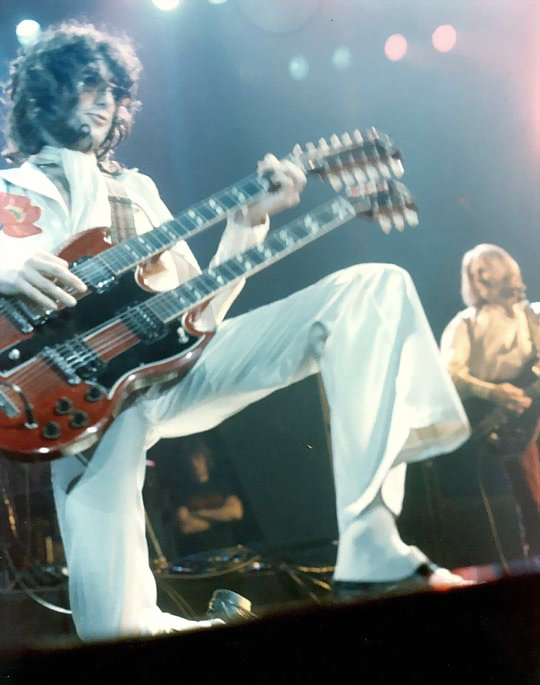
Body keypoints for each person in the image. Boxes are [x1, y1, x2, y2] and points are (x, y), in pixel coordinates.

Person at [0, 21, 470, 641]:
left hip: (172, 371)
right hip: (75, 400)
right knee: (114, 629)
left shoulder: (135, 191)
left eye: (113, 90)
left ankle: (373, 547)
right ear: (45, 92)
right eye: (88, 85)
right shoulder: (10, 187)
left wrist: (247, 225)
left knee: (372, 289)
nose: (104, 101)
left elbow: (198, 314)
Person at [441, 243, 540, 562]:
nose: (481, 277)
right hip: (501, 426)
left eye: (488, 268)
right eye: (475, 272)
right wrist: (493, 392)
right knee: (529, 504)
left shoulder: (533, 315)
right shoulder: (465, 324)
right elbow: (450, 375)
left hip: (534, 414)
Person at [172, 439, 244, 557]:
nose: (194, 464)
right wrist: (221, 517)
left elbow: (236, 513)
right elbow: (185, 526)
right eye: (190, 461)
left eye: (197, 458)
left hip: (228, 551)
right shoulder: (181, 491)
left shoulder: (221, 484)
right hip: (199, 556)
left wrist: (199, 514)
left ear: (205, 459)